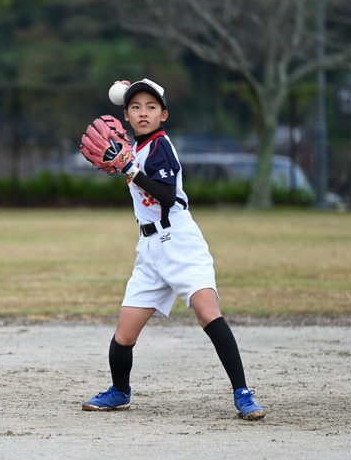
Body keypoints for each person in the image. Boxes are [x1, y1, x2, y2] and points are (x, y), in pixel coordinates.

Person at [81, 78, 266, 420]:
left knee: (207, 312)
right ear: (126, 115)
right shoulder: (134, 149)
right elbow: (133, 170)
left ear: (163, 115)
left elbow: (166, 195)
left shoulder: (159, 146)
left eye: (151, 107)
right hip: (150, 248)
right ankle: (120, 392)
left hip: (180, 242)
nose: (143, 113)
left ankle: (243, 393)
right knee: (124, 334)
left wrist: (129, 170)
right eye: (135, 107)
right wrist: (126, 163)